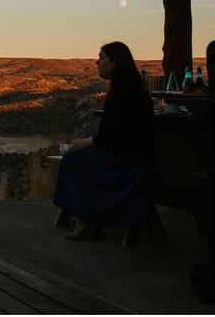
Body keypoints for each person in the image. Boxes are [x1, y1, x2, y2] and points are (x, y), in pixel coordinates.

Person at [53, 41, 158, 244]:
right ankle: (87, 218)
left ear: (115, 62)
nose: (96, 62)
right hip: (129, 153)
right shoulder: (129, 87)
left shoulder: (124, 92)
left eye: (101, 58)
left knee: (72, 161)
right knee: (79, 159)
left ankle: (85, 219)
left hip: (127, 157)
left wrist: (87, 142)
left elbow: (114, 136)